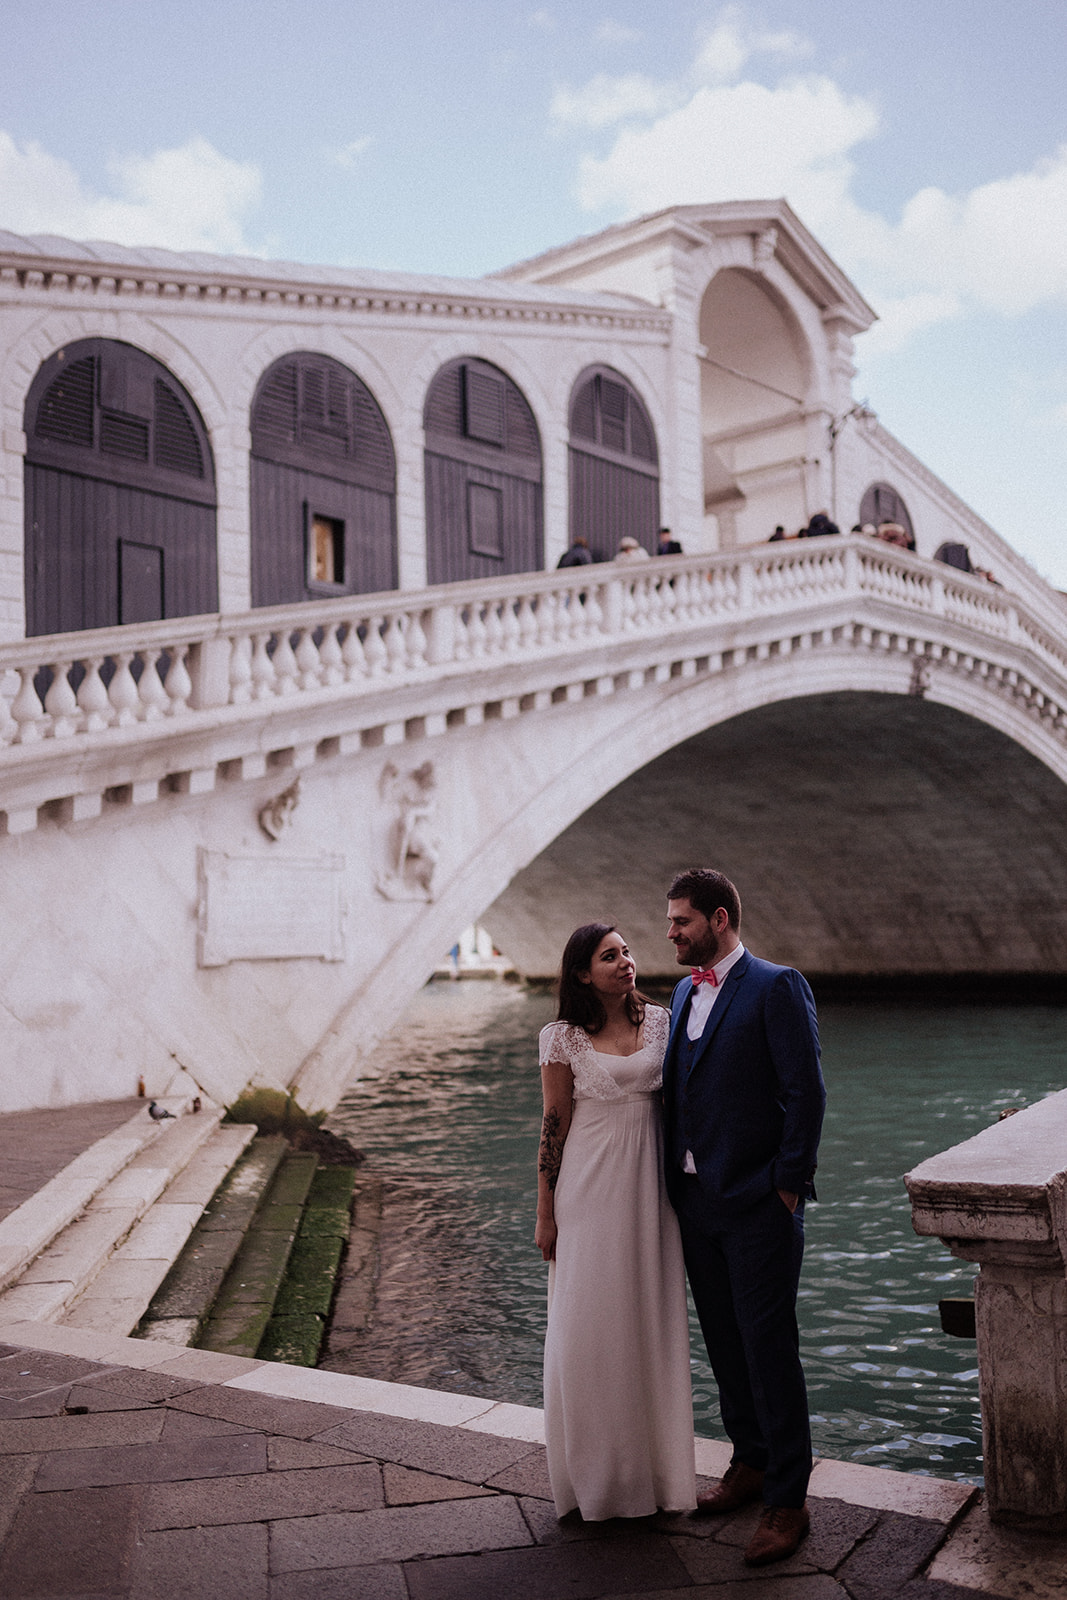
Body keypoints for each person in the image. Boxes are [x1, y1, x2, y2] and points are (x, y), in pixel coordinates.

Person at [662, 868, 825, 1566]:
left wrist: (786, 1186)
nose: (670, 933)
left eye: (681, 921)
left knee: (768, 1348)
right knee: (725, 1344)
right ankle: (750, 1462)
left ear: (719, 919)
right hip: (695, 1202)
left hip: (758, 1203)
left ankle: (788, 1500)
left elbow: (806, 1091)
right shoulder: (680, 991)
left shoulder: (776, 985)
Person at [535, 923, 696, 1521]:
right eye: (610, 956)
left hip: (651, 1191)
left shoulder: (662, 1021)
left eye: (627, 952)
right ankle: (599, 1481)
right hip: (587, 1189)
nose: (626, 962)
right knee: (589, 1327)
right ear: (583, 973)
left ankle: (656, 1476)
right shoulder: (562, 1038)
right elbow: (553, 1126)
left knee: (648, 1322)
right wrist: (545, 1212)